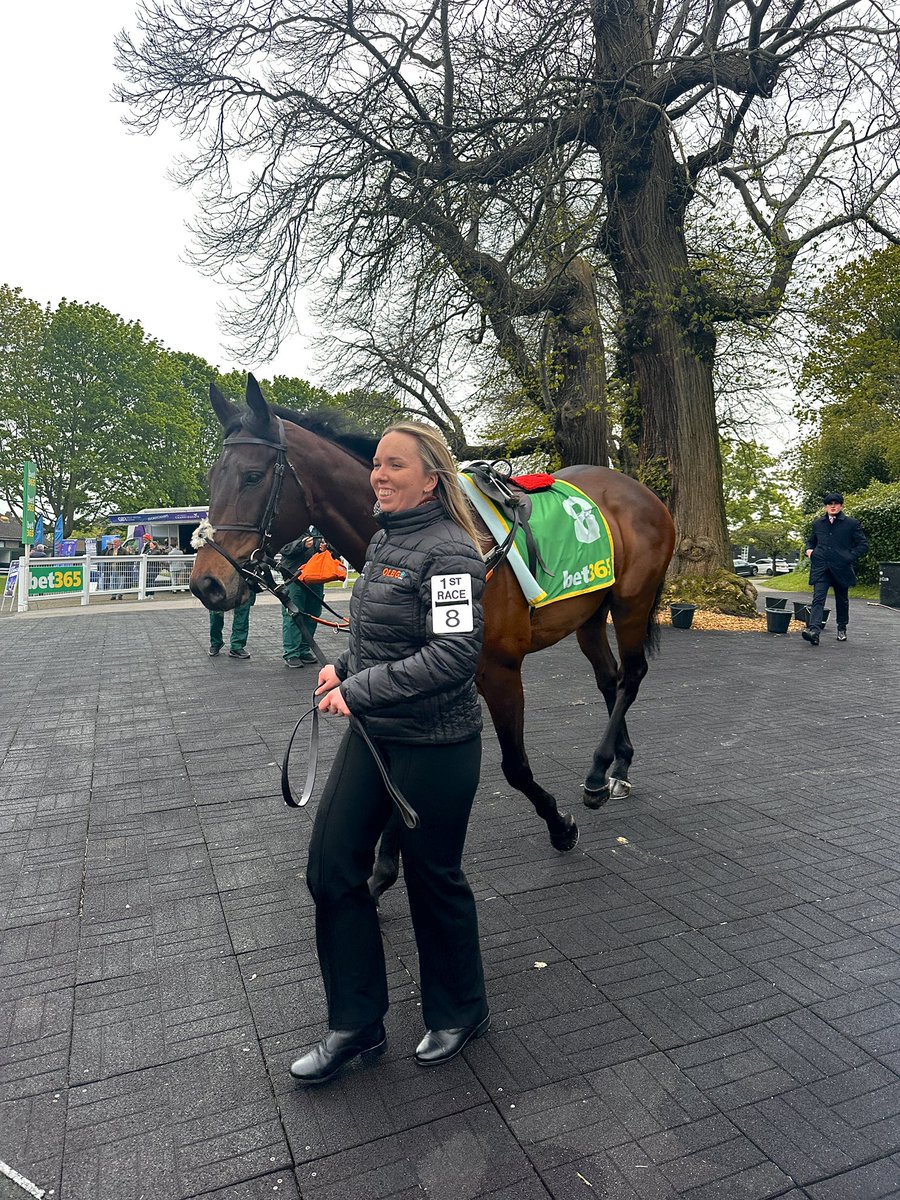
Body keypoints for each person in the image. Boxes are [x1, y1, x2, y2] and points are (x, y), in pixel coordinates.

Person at [289, 421, 489, 1086]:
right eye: (377, 464)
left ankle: (462, 1010)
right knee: (330, 867)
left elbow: (455, 657)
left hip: (437, 744)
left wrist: (361, 688)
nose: (379, 475)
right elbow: (379, 637)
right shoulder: (382, 542)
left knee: (435, 880)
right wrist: (344, 668)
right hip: (375, 733)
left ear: (430, 478)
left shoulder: (454, 553)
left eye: (394, 465)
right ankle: (356, 1022)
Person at [802, 491, 868, 645]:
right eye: (829, 504)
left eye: (836, 504)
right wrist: (809, 550)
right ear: (826, 507)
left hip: (841, 569)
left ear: (841, 506)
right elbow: (811, 541)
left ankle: (842, 628)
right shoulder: (818, 523)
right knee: (818, 600)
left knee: (842, 600)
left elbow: (863, 545)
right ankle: (814, 631)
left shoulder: (851, 523)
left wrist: (849, 557)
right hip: (821, 568)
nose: (832, 506)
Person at [278, 529, 327, 667]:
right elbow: (283, 548)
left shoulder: (322, 525)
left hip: (316, 577)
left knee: (313, 615)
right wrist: (301, 544)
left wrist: (326, 548)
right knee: (293, 614)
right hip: (294, 577)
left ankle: (304, 649)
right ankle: (291, 653)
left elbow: (336, 549)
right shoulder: (293, 524)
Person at [208, 589, 256, 658]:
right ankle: (216, 642)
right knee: (216, 613)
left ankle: (237, 646)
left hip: (243, 583)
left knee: (242, 612)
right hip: (218, 585)